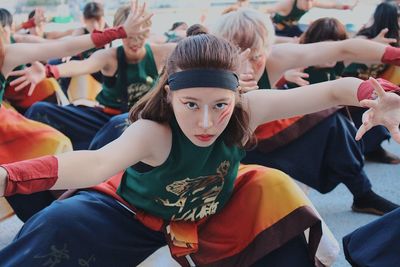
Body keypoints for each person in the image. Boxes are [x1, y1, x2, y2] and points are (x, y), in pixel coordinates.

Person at [1, 33, 400, 267]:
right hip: (132, 217)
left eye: (220, 105)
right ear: (171, 94)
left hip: (212, 212)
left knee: (271, 192)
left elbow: (332, 90)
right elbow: (94, 163)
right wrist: (7, 176)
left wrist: (378, 96)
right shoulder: (151, 132)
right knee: (57, 229)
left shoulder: (249, 108)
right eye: (191, 104)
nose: (206, 123)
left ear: (237, 94)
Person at [212, 8, 400, 215]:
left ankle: (364, 194)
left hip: (263, 131)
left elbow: (342, 51)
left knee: (334, 124)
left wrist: (386, 78)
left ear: (266, 51)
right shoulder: (203, 64)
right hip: (218, 150)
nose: (246, 68)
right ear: (219, 51)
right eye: (235, 58)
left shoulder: (276, 58)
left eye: (255, 57)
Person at [0, 0, 152, 222]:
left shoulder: (7, 54)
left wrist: (120, 31)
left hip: (14, 138)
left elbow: (61, 47)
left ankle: (70, 214)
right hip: (97, 117)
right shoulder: (109, 56)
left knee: (39, 193)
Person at [13, 4, 174, 151]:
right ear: (120, 31)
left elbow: (191, 46)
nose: (135, 42)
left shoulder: (159, 53)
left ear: (148, 32)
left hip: (143, 121)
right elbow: (82, 66)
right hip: (105, 118)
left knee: (117, 124)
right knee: (39, 110)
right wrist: (49, 71)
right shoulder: (109, 56)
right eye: (129, 36)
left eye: (140, 35)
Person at [342, 1, 400, 163]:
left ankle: (374, 149)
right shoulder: (363, 38)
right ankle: (373, 150)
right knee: (373, 109)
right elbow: (344, 59)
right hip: (350, 90)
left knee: (385, 104)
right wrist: (373, 44)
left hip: (373, 89)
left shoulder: (394, 40)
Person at [263, 0, 359, 37]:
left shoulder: (312, 2)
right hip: (278, 30)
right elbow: (265, 10)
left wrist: (347, 7)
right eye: (306, 1)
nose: (309, 5)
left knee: (309, 38)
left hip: (292, 29)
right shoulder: (287, 4)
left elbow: (332, 5)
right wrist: (266, 22)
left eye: (311, 1)